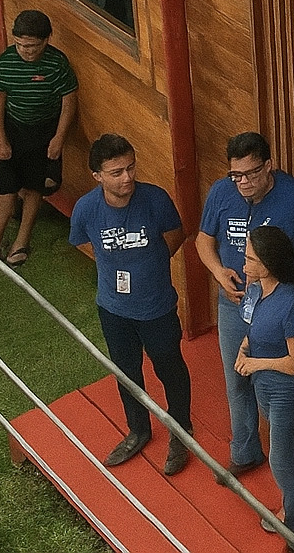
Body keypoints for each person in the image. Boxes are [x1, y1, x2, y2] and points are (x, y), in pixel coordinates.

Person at [196, 131, 294, 477]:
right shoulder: (220, 192)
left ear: (269, 166)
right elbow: (203, 241)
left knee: (287, 376)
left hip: (280, 309)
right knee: (236, 376)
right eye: (236, 175)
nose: (243, 182)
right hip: (234, 303)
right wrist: (219, 273)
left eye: (251, 173)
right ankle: (245, 451)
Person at [70, 134, 192, 476]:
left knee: (169, 368)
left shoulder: (155, 199)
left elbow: (175, 236)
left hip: (157, 308)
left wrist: (150, 266)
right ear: (97, 176)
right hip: (113, 309)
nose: (127, 177)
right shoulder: (86, 208)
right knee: (126, 371)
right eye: (116, 172)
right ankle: (138, 429)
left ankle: (181, 431)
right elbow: (82, 241)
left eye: (130, 168)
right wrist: (112, 263)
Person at [235, 225, 294, 545]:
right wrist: (245, 347)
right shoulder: (257, 290)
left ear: (268, 264)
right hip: (267, 390)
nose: (244, 265)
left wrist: (256, 363)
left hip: (290, 393)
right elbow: (257, 328)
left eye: (250, 260)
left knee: (284, 461)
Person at [0, 9, 78, 271]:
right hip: (12, 127)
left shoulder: (57, 64)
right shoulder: (4, 63)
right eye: (20, 45)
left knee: (35, 185)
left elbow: (69, 100)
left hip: (43, 130)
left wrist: (58, 138)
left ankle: (21, 242)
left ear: (46, 40)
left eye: (32, 46)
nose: (26, 51)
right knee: (5, 187)